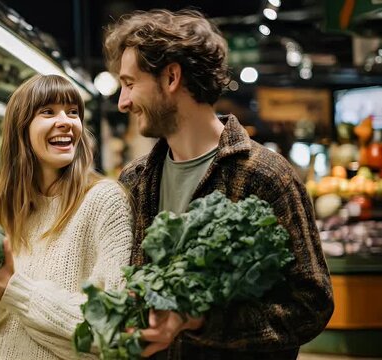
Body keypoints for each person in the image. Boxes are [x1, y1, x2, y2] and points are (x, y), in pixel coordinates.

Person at [104, 9, 334, 360]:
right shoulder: (135, 181)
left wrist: (200, 322)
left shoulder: (266, 176)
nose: (122, 102)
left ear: (171, 77)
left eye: (130, 83)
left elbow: (310, 306)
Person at [0, 74, 133, 359]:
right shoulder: (4, 210)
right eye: (48, 112)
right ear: (21, 129)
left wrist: (13, 290)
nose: (66, 121)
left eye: (73, 112)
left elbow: (114, 333)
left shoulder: (105, 201)